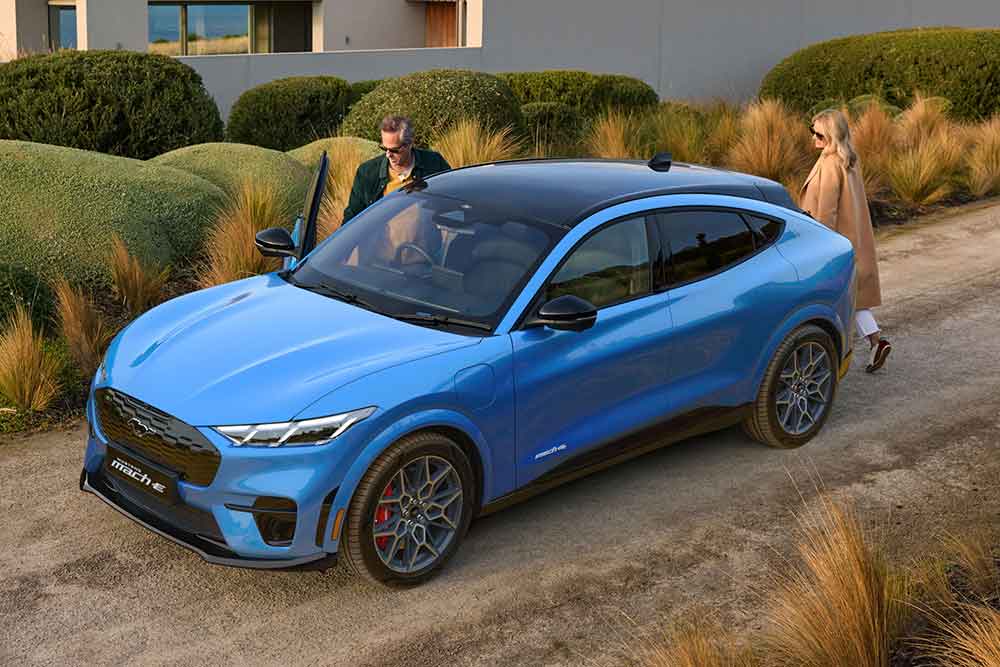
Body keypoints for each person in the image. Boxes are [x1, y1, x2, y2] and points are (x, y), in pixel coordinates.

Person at [801, 108, 891, 373]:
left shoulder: (830, 164)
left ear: (830, 135)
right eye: (812, 131)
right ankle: (876, 342)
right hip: (852, 238)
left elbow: (827, 210)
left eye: (818, 133)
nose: (813, 138)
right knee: (855, 298)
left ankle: (821, 359)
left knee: (831, 300)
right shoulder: (848, 158)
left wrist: (816, 247)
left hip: (833, 241)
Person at [342, 115, 452, 225]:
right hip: (381, 242)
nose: (388, 155)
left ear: (409, 144)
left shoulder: (435, 163)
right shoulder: (367, 173)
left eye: (394, 150)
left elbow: (453, 201)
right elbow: (352, 217)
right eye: (384, 148)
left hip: (428, 241)